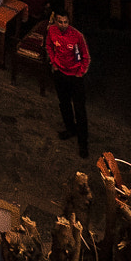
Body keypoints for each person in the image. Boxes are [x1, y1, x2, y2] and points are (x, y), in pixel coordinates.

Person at [46, 11, 92, 158]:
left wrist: (81, 72)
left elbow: (85, 57)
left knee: (79, 109)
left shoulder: (77, 36)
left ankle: (83, 143)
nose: (63, 25)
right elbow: (48, 45)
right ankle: (70, 129)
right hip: (60, 73)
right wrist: (53, 62)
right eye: (60, 22)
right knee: (64, 103)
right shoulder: (52, 31)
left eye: (66, 22)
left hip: (75, 76)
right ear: (56, 22)